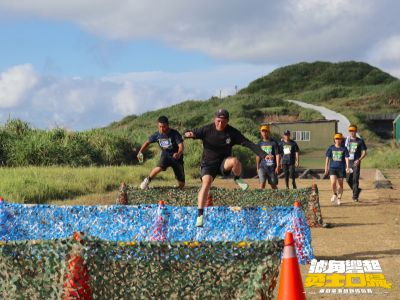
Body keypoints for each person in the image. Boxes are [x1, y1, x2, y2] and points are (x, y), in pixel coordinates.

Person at [184, 109, 269, 227]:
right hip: (208, 164)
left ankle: (237, 178)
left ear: (227, 121)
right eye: (218, 121)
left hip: (223, 163)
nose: (220, 124)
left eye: (223, 122)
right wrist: (188, 134)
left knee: (235, 161)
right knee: (206, 183)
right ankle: (200, 215)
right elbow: (190, 132)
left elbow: (247, 143)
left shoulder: (232, 132)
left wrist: (263, 154)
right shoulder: (206, 129)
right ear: (215, 119)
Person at [137, 116, 185, 190]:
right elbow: (147, 142)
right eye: (160, 127)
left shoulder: (175, 133)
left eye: (164, 127)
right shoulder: (157, 135)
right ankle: (146, 181)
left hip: (176, 157)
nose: (162, 129)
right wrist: (140, 152)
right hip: (165, 155)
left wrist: (178, 154)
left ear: (168, 125)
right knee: (159, 167)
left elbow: (181, 146)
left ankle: (178, 186)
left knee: (182, 185)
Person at [324, 133, 350, 205]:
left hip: (341, 168)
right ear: (334, 140)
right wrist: (326, 168)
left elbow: (346, 158)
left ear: (341, 140)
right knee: (333, 183)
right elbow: (327, 158)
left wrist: (347, 167)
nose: (337, 140)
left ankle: (339, 198)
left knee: (340, 184)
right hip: (332, 168)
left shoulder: (344, 149)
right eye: (336, 139)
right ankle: (335, 193)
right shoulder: (331, 148)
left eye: (339, 139)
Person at [344, 124, 367, 202]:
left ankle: (355, 197)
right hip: (348, 162)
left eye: (353, 130)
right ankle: (357, 190)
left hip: (356, 162)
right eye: (350, 130)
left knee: (355, 179)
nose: (352, 132)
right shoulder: (346, 140)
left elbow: (364, 152)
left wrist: (359, 159)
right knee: (347, 179)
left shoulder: (360, 141)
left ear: (356, 131)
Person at [256, 124, 281, 189]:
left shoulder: (274, 143)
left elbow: (277, 154)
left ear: (268, 132)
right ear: (261, 132)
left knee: (273, 185)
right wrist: (257, 167)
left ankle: (279, 197)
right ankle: (260, 198)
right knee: (262, 184)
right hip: (262, 167)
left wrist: (278, 166)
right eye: (262, 131)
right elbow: (258, 156)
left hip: (272, 168)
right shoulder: (259, 143)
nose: (264, 133)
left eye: (265, 131)